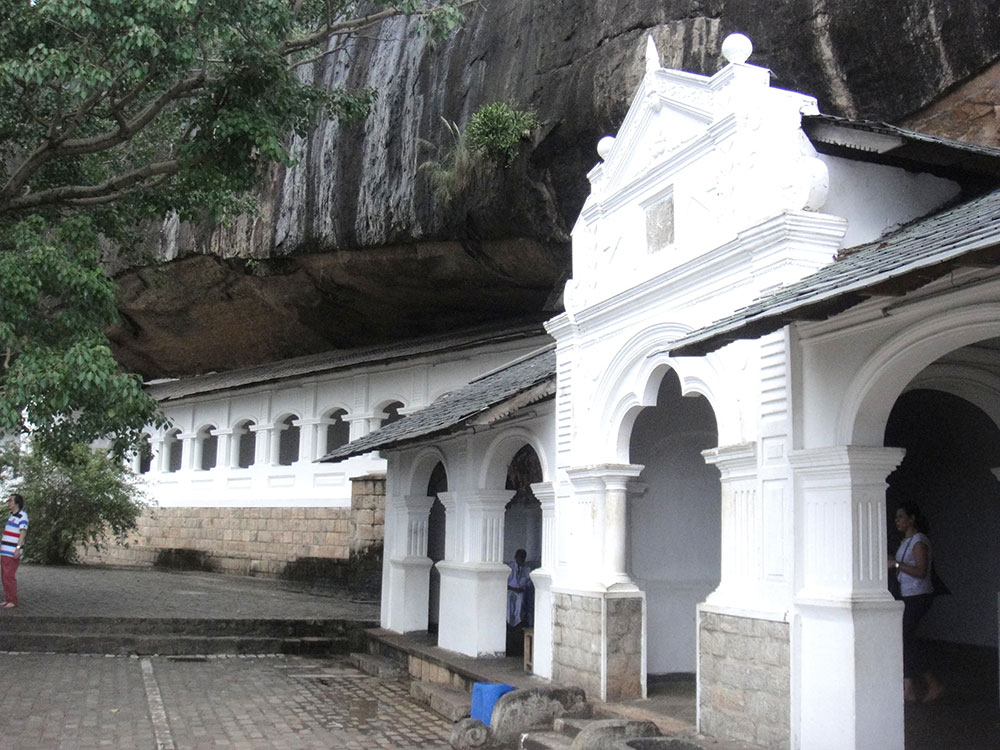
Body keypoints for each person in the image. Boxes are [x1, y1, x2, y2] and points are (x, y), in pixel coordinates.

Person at [888, 501, 944, 703]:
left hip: (918, 595)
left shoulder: (919, 541)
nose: (897, 521)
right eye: (896, 518)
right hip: (907, 594)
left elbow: (921, 571)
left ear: (911, 519)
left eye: (901, 517)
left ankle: (931, 682)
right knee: (904, 638)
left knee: (905, 637)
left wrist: (895, 563)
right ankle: (909, 686)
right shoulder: (907, 541)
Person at [1, 492, 28, 609]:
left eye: (10, 500)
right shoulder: (12, 516)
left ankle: (12, 600)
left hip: (11, 551)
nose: (8, 502)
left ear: (17, 503)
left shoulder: (22, 516)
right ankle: (8, 598)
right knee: (4, 575)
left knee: (9, 575)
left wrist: (17, 548)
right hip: (5, 551)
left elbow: (23, 533)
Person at [506, 548, 533, 628]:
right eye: (520, 557)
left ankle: (518, 623)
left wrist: (522, 589)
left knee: (520, 601)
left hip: (520, 592)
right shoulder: (509, 568)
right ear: (516, 557)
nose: (521, 559)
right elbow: (504, 583)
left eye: (523, 557)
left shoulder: (527, 570)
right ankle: (508, 623)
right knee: (508, 602)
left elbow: (528, 584)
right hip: (509, 590)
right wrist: (513, 589)